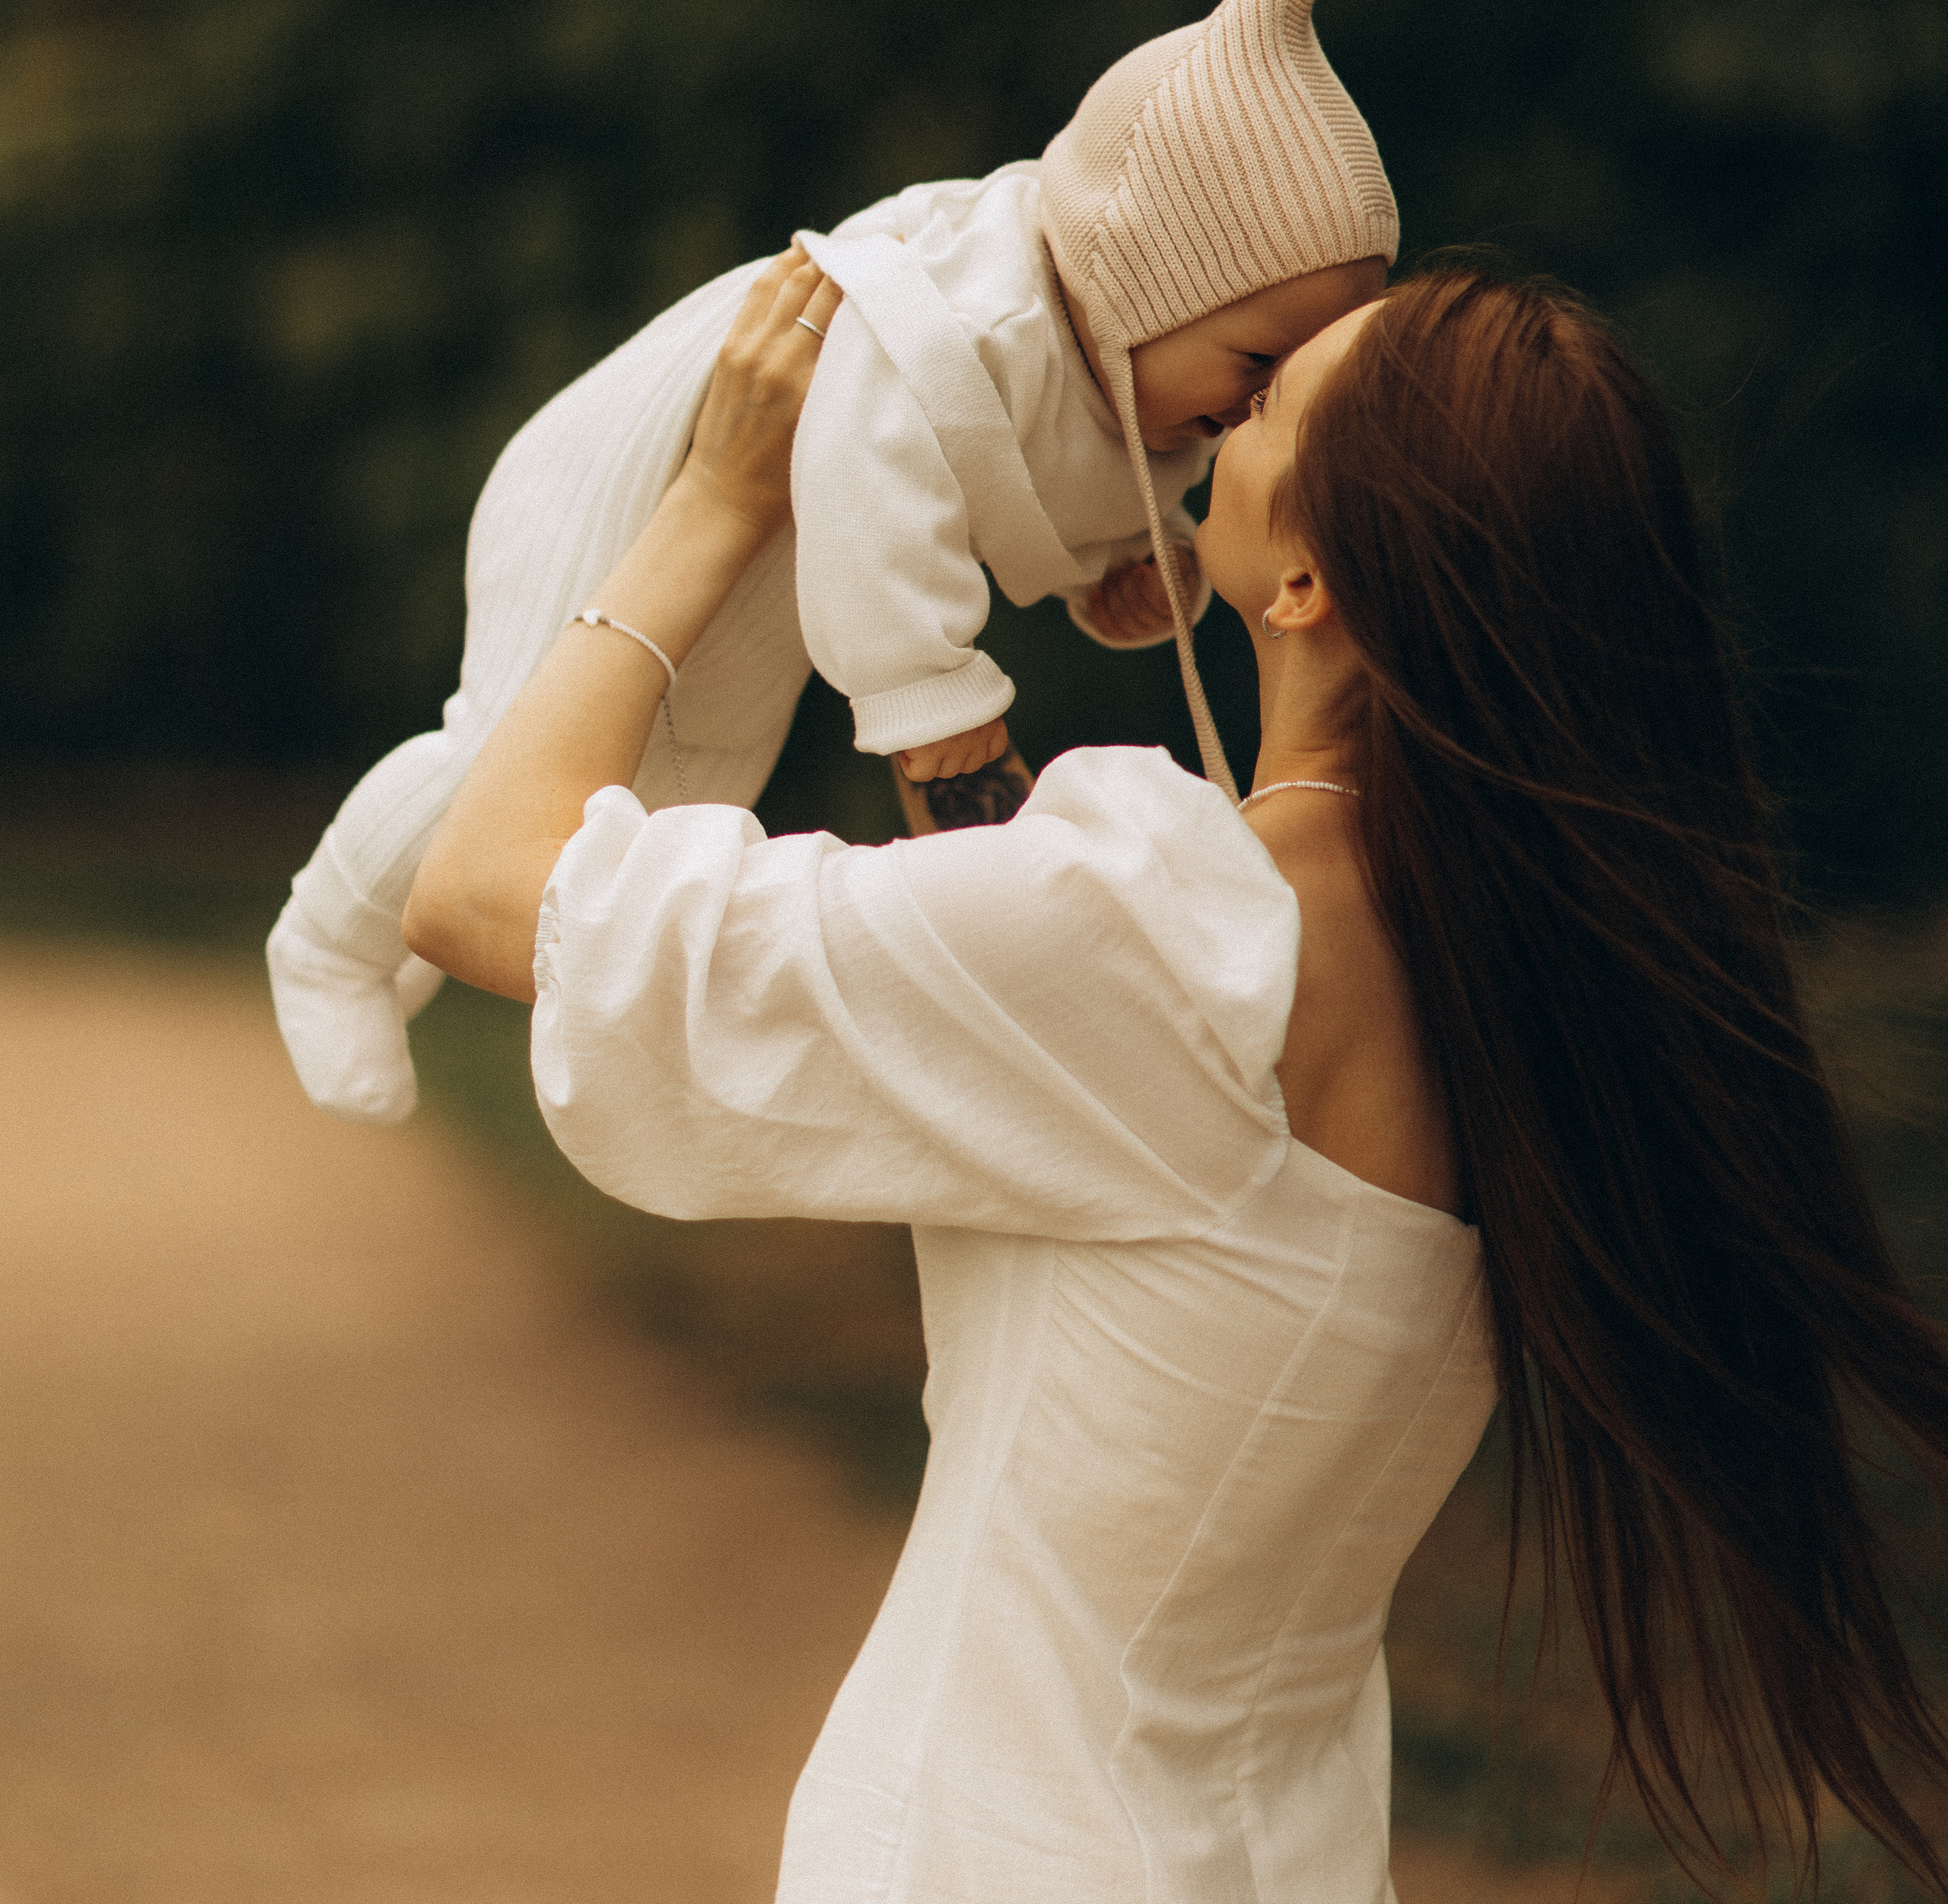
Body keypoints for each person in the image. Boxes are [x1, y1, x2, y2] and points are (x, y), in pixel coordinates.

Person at [403, 249, 1948, 1903]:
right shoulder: (1507, 983)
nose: (1223, 399)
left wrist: (712, 502)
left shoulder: (1185, 932)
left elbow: (486, 888)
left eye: (1271, 398)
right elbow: (1075, 1057)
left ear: (1302, 585)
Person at [269, 0, 1396, 1128]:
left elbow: (1025, 493)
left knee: (656, 783)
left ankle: (426, 916)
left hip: (768, 549)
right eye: (1258, 362)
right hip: (642, 471)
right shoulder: (967, 321)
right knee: (506, 736)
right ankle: (326, 936)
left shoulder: (1143, 391)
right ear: (1147, 286)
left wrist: (1110, 569)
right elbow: (879, 483)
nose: (1256, 404)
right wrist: (934, 703)